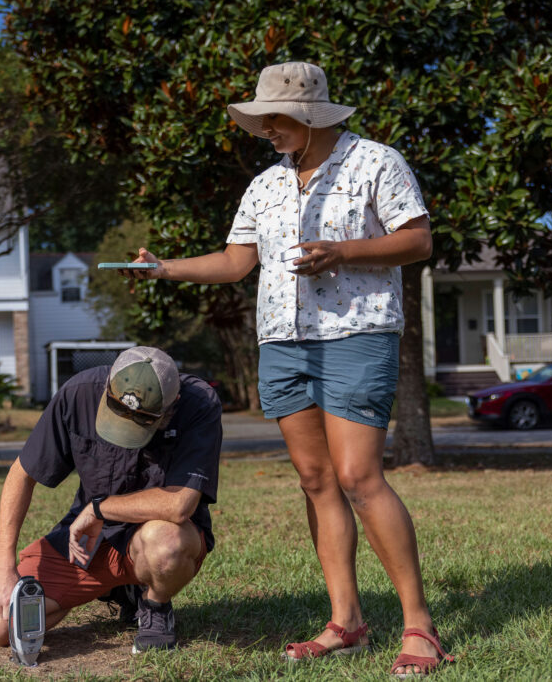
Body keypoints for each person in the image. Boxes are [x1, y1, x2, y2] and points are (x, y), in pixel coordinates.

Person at [122, 62, 453, 676]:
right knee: (316, 480)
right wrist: (164, 268)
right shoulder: (264, 186)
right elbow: (234, 261)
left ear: (307, 115)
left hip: (356, 335)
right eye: (261, 119)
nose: (264, 129)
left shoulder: (377, 163)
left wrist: (343, 251)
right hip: (283, 343)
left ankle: (419, 626)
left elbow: (419, 241)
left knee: (359, 477)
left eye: (272, 118)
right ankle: (345, 620)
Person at [0, 346, 222, 655]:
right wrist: (3, 568)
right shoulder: (79, 393)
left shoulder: (199, 404)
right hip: (89, 542)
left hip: (151, 539)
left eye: (142, 423)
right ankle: (120, 589)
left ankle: (154, 606)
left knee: (167, 541)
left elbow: (179, 505)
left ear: (172, 404)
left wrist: (99, 508)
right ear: (107, 386)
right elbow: (21, 474)